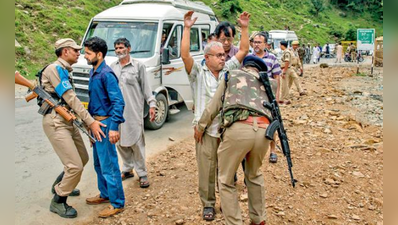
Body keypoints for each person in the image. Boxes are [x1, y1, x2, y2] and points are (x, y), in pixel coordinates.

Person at [182, 10, 250, 221]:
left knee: (228, 169)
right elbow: (185, 55)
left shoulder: (228, 70)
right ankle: (208, 204)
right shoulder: (197, 73)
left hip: (227, 130)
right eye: (219, 56)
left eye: (224, 55)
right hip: (205, 131)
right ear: (207, 57)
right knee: (206, 170)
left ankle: (227, 201)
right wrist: (186, 29)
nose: (223, 58)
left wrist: (245, 28)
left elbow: (244, 50)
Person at [195, 56, 272, 225]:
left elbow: (214, 105)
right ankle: (258, 219)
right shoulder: (267, 82)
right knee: (254, 174)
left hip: (238, 130)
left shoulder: (231, 75)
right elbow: (275, 114)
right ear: (259, 70)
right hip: (263, 131)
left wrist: (201, 126)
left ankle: (235, 222)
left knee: (225, 179)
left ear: (245, 67)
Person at [38, 38, 105, 218]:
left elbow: (71, 103)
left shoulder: (65, 70)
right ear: (65, 51)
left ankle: (59, 186)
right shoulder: (55, 69)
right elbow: (71, 98)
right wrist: (91, 122)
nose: (79, 53)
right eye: (75, 50)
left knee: (82, 158)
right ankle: (59, 200)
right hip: (56, 122)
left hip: (68, 120)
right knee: (75, 166)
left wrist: (85, 124)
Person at [83, 36, 126, 218]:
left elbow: (119, 102)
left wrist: (114, 127)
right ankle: (105, 194)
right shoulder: (94, 71)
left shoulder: (106, 74)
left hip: (106, 124)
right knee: (99, 163)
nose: (85, 56)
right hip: (96, 125)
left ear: (99, 54)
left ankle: (117, 203)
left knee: (109, 164)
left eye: (88, 53)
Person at [110, 38, 156, 188]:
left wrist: (152, 104)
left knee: (136, 142)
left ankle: (142, 173)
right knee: (120, 142)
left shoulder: (138, 66)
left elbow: (146, 88)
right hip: (117, 112)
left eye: (121, 47)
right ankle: (127, 169)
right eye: (116, 48)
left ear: (128, 49)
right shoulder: (113, 67)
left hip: (134, 112)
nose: (118, 51)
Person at [251, 31, 281, 163]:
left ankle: (272, 151)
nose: (256, 45)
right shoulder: (248, 58)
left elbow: (277, 78)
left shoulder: (272, 58)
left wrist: (277, 97)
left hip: (267, 97)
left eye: (259, 42)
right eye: (254, 42)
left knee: (271, 123)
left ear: (266, 44)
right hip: (252, 97)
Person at [279, 40, 305, 105]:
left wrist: (284, 71)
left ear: (282, 45)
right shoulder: (289, 51)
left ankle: (286, 99)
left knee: (286, 84)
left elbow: (287, 61)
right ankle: (282, 98)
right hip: (290, 68)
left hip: (288, 68)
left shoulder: (287, 52)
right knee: (287, 84)